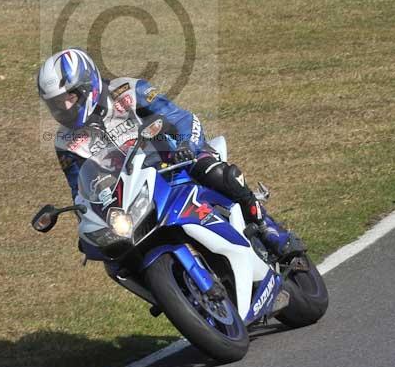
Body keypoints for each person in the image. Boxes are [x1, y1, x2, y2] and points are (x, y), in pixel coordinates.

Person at [37, 47, 303, 260]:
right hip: (133, 191)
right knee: (113, 253)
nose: (64, 107)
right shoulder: (65, 141)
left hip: (174, 161)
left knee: (211, 169)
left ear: (87, 85)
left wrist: (186, 146)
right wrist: (86, 215)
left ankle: (269, 230)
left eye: (69, 98)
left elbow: (180, 117)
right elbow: (79, 189)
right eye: (56, 104)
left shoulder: (129, 91)